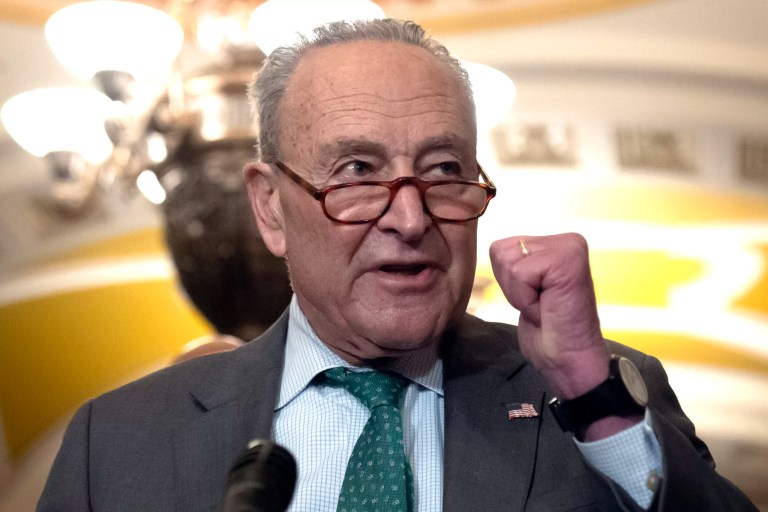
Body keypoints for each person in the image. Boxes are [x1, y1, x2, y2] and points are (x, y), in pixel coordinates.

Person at [37, 19, 757, 512]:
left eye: (445, 169)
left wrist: (594, 400)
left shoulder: (593, 396)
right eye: (356, 170)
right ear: (269, 207)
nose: (410, 220)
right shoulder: (121, 441)